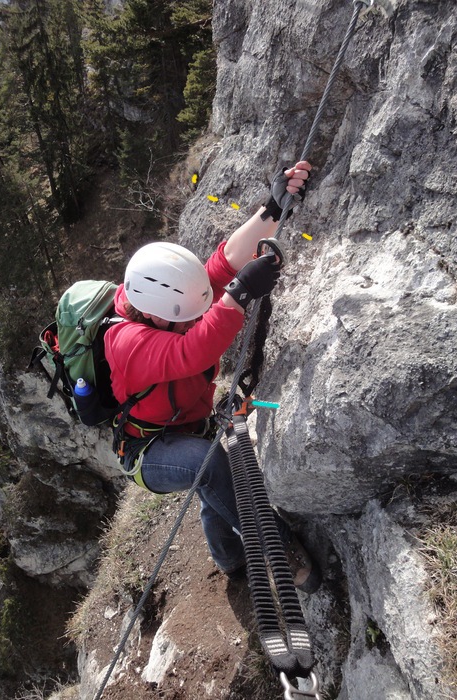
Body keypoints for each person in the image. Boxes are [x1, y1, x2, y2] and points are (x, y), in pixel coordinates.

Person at [104, 160, 321, 594]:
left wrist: (272, 209)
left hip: (190, 425)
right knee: (207, 466)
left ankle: (229, 558)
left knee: (211, 483)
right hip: (149, 448)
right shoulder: (127, 341)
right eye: (184, 315)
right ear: (151, 313)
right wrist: (240, 295)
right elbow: (191, 352)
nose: (193, 314)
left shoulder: (166, 299)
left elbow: (223, 262)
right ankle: (273, 545)